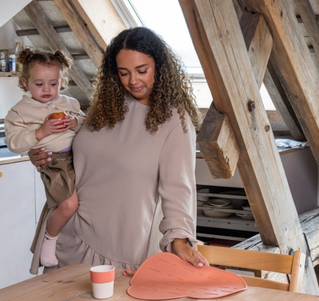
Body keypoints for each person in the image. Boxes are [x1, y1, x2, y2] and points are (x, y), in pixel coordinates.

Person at [29, 27, 207, 274]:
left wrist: (179, 241)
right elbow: (78, 155)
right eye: (124, 73)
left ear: (160, 68)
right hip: (69, 239)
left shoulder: (175, 122)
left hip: (120, 252)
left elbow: (178, 190)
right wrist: (41, 152)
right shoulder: (106, 108)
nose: (133, 81)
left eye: (142, 70)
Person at [5, 49, 85, 268]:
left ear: (62, 82)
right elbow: (14, 143)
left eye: (53, 83)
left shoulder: (70, 103)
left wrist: (75, 122)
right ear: (25, 83)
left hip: (79, 158)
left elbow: (87, 124)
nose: (47, 89)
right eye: (39, 84)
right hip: (54, 162)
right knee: (68, 205)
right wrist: (41, 132)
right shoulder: (19, 112)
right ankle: (49, 239)